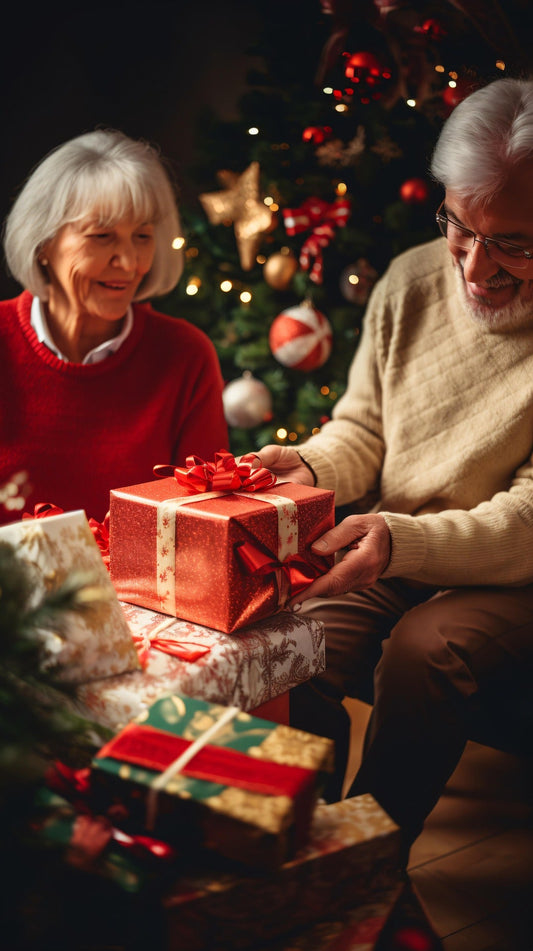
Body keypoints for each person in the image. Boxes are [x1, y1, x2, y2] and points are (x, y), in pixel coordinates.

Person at [256, 77, 533, 856]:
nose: (477, 269)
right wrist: (309, 466)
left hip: (512, 572)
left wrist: (401, 541)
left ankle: (366, 861)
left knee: (425, 648)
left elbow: (525, 520)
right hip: (400, 542)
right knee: (289, 641)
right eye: (460, 227)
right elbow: (364, 427)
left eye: (515, 241)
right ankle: (289, 845)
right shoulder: (412, 277)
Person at [0, 130, 228, 522]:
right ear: (43, 244)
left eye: (142, 236)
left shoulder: (186, 355)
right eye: (102, 236)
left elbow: (205, 525)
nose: (128, 261)